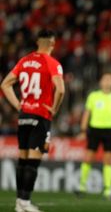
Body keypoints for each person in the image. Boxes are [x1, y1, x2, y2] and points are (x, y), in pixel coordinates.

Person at [1, 30, 65, 212]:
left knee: (22, 159)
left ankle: (19, 202)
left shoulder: (24, 61)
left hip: (24, 115)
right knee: (33, 161)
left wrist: (18, 105)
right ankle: (25, 202)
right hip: (41, 115)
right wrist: (55, 108)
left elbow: (5, 84)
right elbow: (60, 89)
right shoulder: (52, 63)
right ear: (52, 44)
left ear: (38, 42)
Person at [76, 73, 111, 199]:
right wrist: (83, 129)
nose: (107, 81)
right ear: (100, 82)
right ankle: (82, 186)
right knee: (88, 157)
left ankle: (108, 190)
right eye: (105, 79)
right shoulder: (93, 96)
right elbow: (86, 114)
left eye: (110, 79)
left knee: (108, 160)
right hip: (94, 129)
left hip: (110, 130)